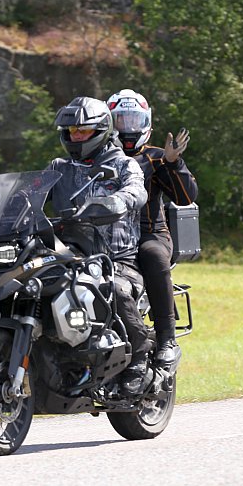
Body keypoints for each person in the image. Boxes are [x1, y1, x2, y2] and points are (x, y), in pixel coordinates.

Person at [46, 96, 150, 395]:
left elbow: (136, 190)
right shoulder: (59, 167)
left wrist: (119, 199)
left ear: (102, 129)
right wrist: (4, 207)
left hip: (115, 258)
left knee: (114, 288)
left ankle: (139, 359)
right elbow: (32, 195)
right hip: (68, 254)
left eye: (83, 131)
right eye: (72, 131)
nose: (76, 136)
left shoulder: (123, 164)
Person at [106, 89, 198, 369]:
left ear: (146, 123)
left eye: (134, 121)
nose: (128, 128)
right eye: (121, 121)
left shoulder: (158, 157)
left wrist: (173, 163)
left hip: (149, 232)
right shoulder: (95, 157)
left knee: (153, 255)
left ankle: (167, 339)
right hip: (104, 236)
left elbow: (185, 197)